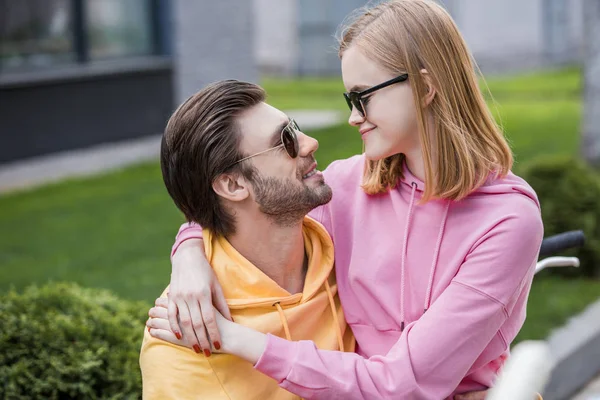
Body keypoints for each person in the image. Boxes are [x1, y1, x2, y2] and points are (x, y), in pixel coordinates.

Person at [147, 1, 544, 398]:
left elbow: (399, 386)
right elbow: (236, 201)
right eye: (348, 100)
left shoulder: (506, 220)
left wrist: (236, 339)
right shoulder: (348, 186)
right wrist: (189, 255)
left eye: (362, 97)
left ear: (425, 87)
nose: (354, 117)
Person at [140, 80, 354, 399]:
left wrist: (188, 245)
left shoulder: (349, 235)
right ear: (233, 185)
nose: (310, 143)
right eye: (286, 141)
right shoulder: (183, 338)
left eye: (294, 128)